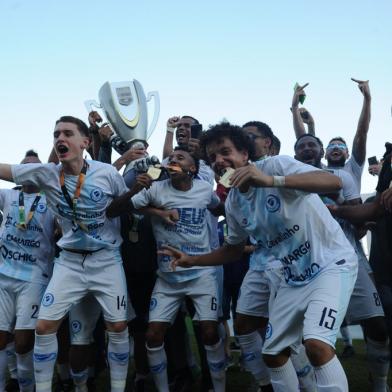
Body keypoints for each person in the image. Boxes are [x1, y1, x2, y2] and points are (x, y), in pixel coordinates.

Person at [162, 123, 358, 392]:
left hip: (330, 265)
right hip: (293, 278)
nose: (219, 161)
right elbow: (233, 249)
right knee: (273, 353)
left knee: (316, 344)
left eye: (225, 152)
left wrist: (271, 181)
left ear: (244, 153)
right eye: (213, 157)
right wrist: (192, 260)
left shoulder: (275, 166)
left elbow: (333, 182)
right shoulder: (232, 203)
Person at [0, 116, 130, 392]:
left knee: (117, 328)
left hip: (106, 261)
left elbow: (125, 204)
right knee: (44, 328)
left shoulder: (107, 173)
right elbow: (5, 170)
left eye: (67, 133)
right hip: (69, 262)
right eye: (56, 133)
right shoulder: (47, 173)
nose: (60, 138)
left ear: (85, 142)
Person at [107, 146, 226, 392]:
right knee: (153, 335)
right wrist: (156, 209)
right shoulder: (156, 188)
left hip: (201, 274)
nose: (173, 160)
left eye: (180, 158)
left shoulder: (204, 189)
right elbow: (118, 210)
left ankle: (218, 387)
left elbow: (218, 208)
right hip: (168, 278)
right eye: (170, 158)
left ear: (192, 169)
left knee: (210, 332)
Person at [294, 133, 390, 391]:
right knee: (307, 335)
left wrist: (337, 206)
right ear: (295, 155)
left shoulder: (342, 178)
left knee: (378, 326)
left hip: (347, 256)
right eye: (301, 146)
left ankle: (380, 383)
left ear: (320, 151)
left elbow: (360, 219)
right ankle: (308, 384)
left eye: (312, 144)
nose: (307, 148)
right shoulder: (290, 182)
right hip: (306, 263)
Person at [0, 150, 55, 392]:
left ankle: (27, 387)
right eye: (25, 166)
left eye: (36, 166)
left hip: (34, 278)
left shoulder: (52, 200)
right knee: (1, 340)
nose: (30, 170)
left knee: (23, 343)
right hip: (3, 276)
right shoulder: (7, 196)